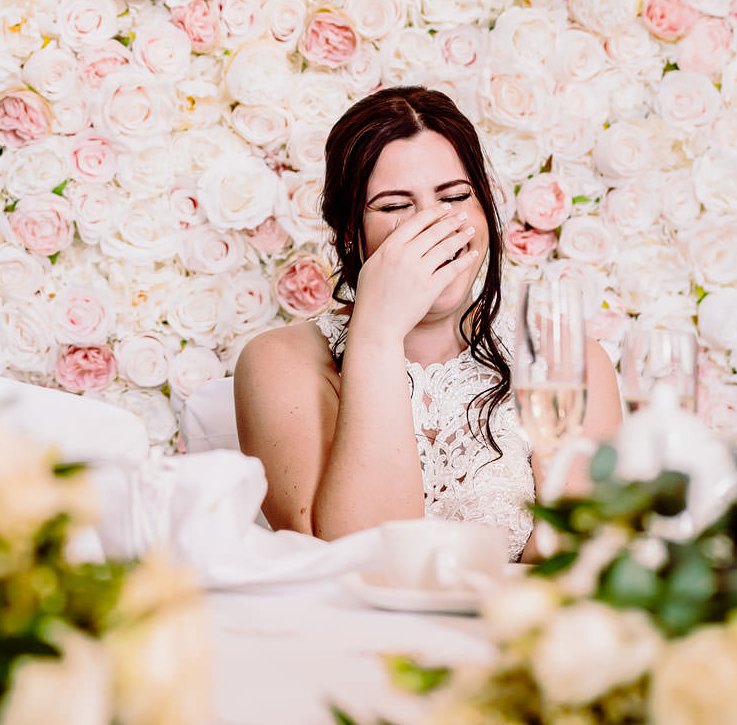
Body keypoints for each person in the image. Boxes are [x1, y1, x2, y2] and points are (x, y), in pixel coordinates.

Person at [233, 87, 620, 559]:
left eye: (455, 196)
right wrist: (377, 335)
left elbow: (577, 554)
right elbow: (355, 555)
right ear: (352, 233)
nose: (435, 225)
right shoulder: (278, 362)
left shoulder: (560, 359)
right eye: (396, 206)